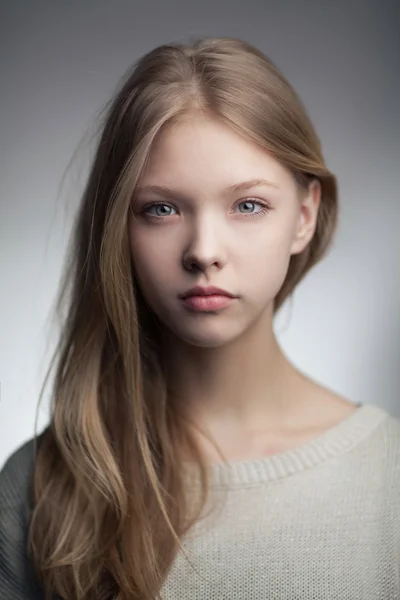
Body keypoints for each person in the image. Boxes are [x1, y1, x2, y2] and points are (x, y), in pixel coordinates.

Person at [0, 36, 399, 600]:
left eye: (247, 205)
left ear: (304, 216)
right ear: (119, 226)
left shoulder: (390, 479)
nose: (203, 250)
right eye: (161, 209)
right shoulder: (40, 486)